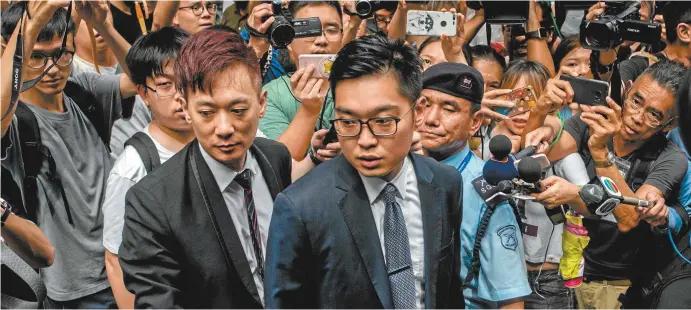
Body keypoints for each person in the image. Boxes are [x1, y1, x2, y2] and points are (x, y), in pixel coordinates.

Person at [264, 35, 463, 309]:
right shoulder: (302, 208)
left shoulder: (445, 183)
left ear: (417, 112)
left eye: (383, 121)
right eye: (348, 122)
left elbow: (448, 291)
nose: (366, 140)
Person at [118, 29, 292, 309]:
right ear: (186, 109)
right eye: (207, 113)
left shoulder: (276, 158)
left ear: (261, 104)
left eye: (237, 110)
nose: (224, 129)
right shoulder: (152, 202)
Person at [1, 2, 137, 307]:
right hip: (76, 289)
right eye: (37, 55)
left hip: (127, 265)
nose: (53, 68)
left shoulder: (83, 89)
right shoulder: (14, 120)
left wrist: (104, 25)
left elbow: (149, 80)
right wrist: (30, 25)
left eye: (62, 54)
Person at [522, 60, 688, 309]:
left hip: (615, 283)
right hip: (562, 269)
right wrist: (539, 112)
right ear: (627, 89)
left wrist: (600, 154)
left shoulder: (671, 157)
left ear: (671, 124)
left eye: (654, 115)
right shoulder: (589, 122)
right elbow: (536, 158)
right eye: (636, 101)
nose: (637, 117)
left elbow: (629, 217)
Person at [415, 62, 530, 308]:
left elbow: (510, 300)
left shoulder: (486, 192)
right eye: (424, 105)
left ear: (475, 123)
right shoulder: (396, 172)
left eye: (449, 109)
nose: (431, 119)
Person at [101, 26, 191, 309]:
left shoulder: (215, 138)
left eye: (188, 80)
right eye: (165, 85)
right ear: (143, 93)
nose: (180, 94)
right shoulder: (133, 167)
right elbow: (115, 259)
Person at [258, 1, 343, 159]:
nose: (321, 40)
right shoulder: (271, 95)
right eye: (310, 30)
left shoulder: (360, 86)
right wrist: (309, 110)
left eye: (331, 30)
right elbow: (277, 166)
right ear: (289, 41)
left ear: (342, 37)